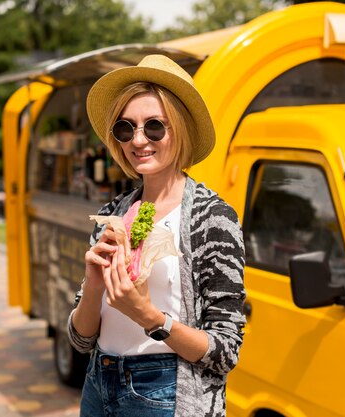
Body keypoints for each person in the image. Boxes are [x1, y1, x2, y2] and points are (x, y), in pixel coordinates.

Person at [68, 55, 246, 417]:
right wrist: (93, 284)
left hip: (165, 391)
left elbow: (225, 351)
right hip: (99, 384)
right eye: (125, 128)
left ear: (177, 128)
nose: (138, 140)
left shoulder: (212, 218)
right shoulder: (113, 214)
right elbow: (81, 339)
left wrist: (150, 317)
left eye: (153, 127)